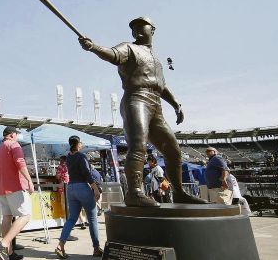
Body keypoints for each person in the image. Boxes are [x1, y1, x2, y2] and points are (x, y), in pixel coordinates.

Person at [79, 17, 205, 206]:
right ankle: (134, 192)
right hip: (136, 98)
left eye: (141, 26)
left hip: (156, 104)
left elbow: (161, 86)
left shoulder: (156, 59)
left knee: (173, 151)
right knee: (138, 146)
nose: (136, 30)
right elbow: (112, 54)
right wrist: (93, 47)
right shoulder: (129, 47)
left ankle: (179, 192)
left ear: (152, 30)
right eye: (133, 28)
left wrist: (175, 103)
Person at [55, 135, 103, 259]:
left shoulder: (68, 157)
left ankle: (60, 245)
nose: (82, 144)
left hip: (71, 188)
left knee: (71, 219)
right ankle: (96, 248)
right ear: (78, 144)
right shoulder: (81, 156)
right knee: (92, 219)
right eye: (81, 142)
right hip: (82, 187)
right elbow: (87, 173)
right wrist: (95, 188)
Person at [0, 126, 34, 260]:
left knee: (7, 217)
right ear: (11, 135)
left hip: (2, 187)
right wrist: (29, 180)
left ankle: (8, 252)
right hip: (15, 186)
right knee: (25, 215)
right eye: (16, 134)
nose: (17, 136)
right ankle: (3, 244)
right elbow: (20, 163)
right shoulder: (14, 145)